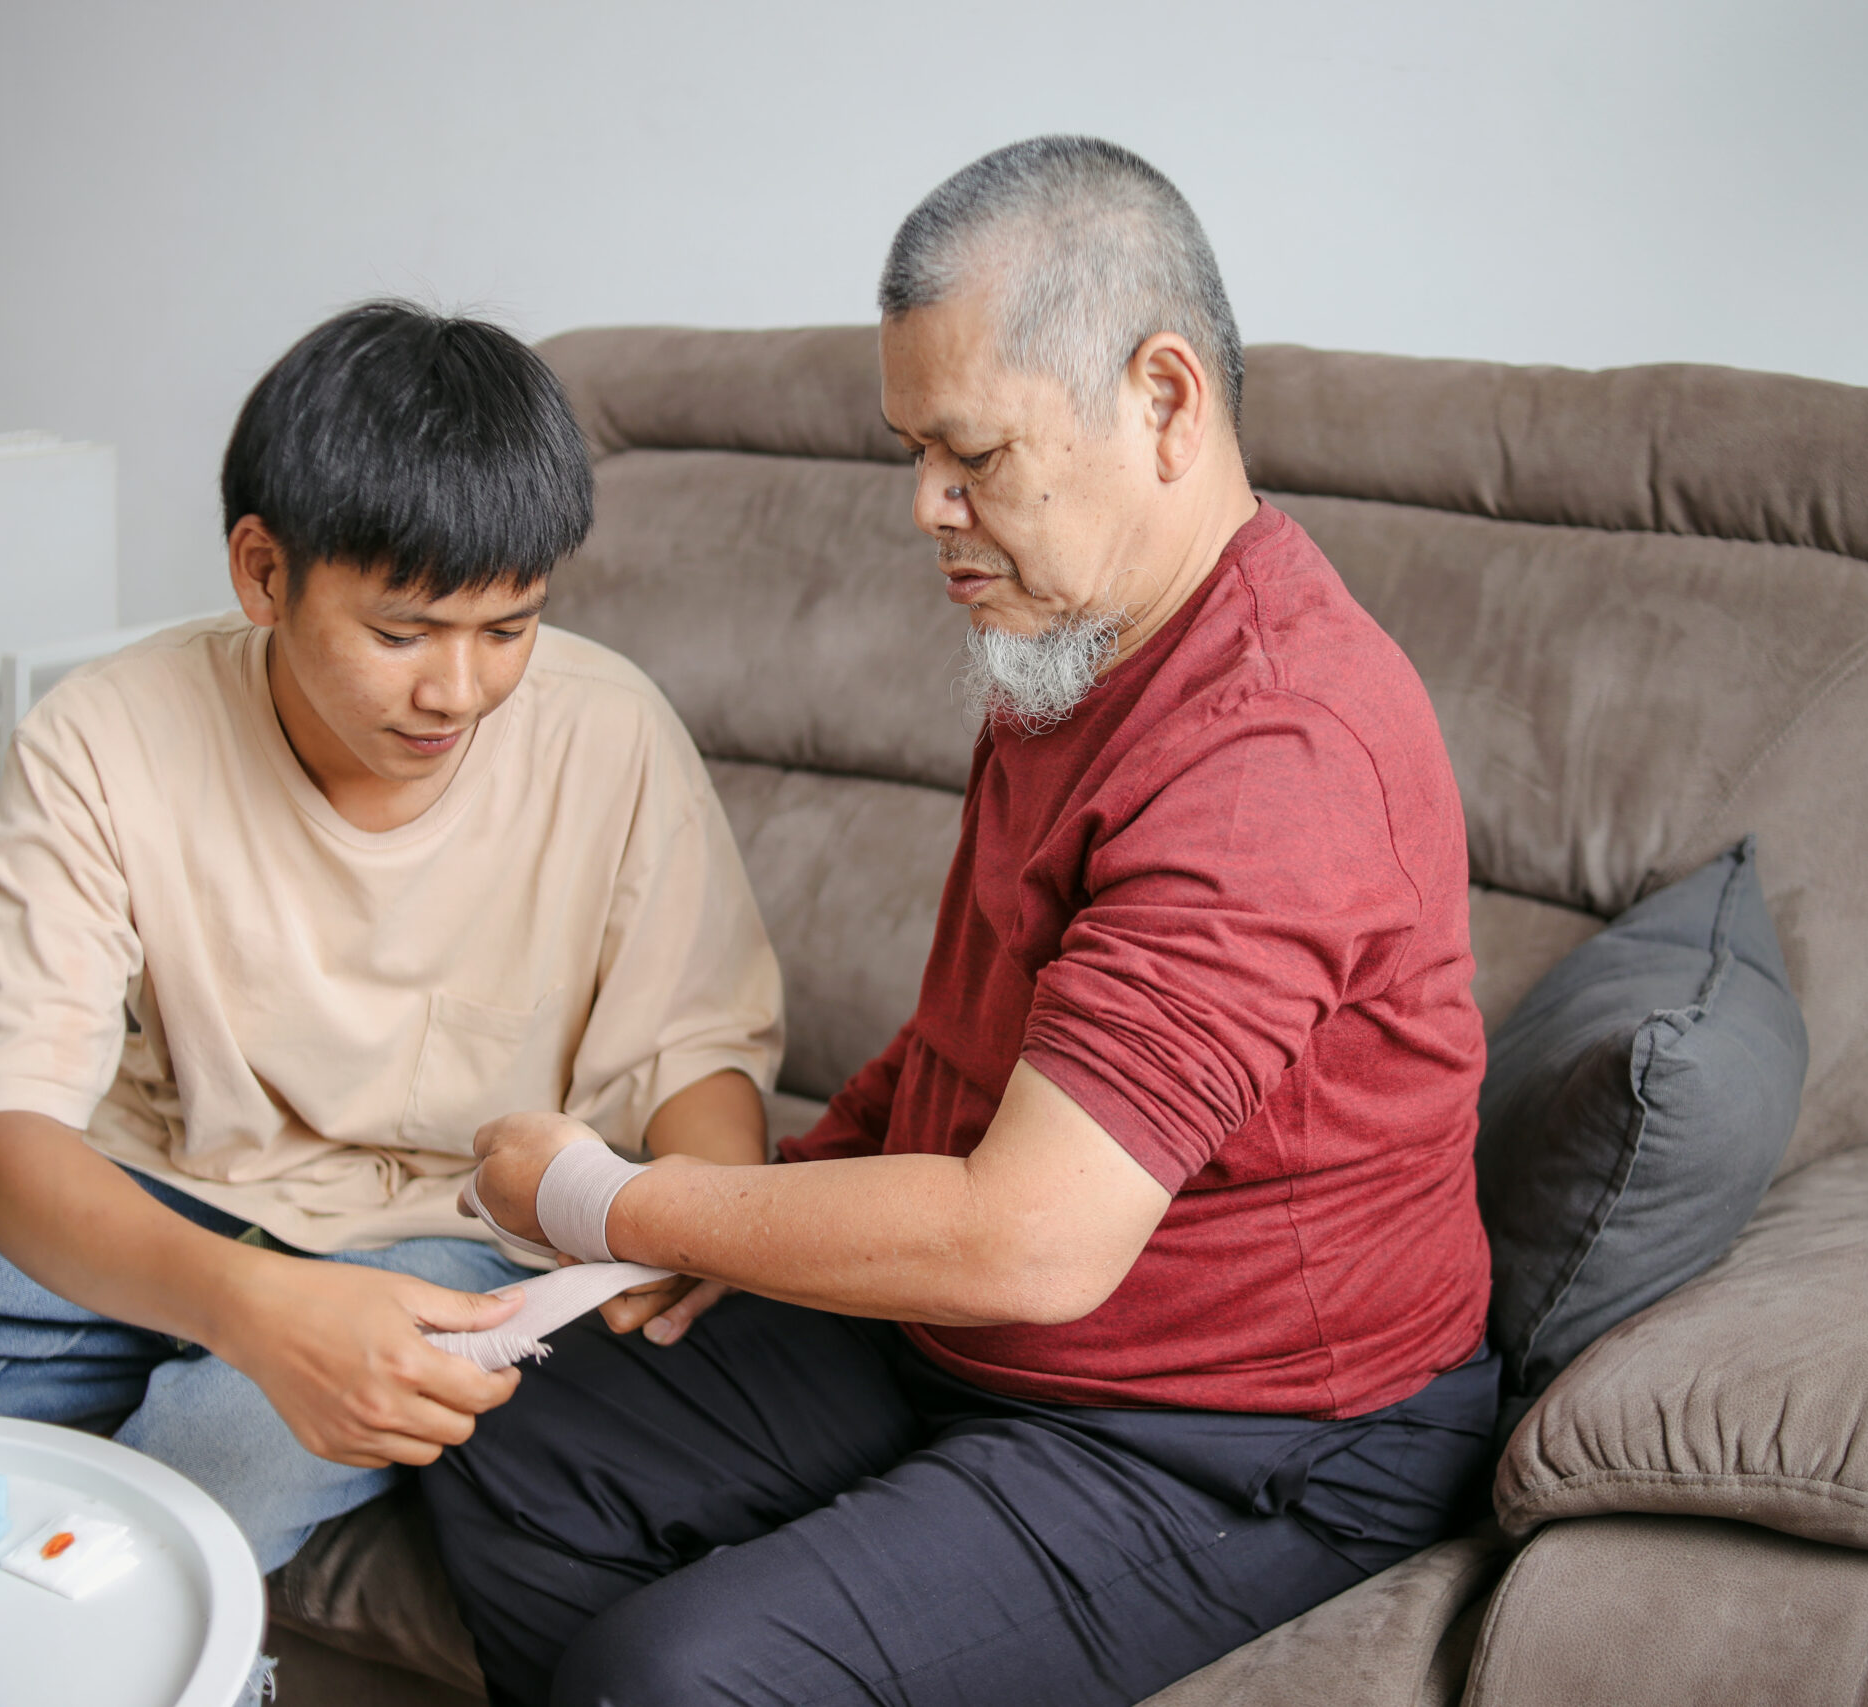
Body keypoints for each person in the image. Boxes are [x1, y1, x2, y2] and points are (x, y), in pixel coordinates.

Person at [425, 137, 1498, 1707]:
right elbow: (962, 1040)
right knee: (506, 1440)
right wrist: (772, 1212)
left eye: (973, 453)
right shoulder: (1071, 640)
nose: (927, 505)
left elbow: (1031, 1236)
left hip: (1238, 1431)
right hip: (971, 1332)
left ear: (1166, 401)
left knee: (675, 1677)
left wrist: (612, 1199)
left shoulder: (1276, 747)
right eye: (911, 448)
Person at [0, 302, 785, 1575]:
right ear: (261, 572)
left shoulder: (611, 733)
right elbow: (6, 1141)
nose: (457, 691)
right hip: (146, 1172)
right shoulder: (105, 738)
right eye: (401, 632)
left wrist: (692, 1219)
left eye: (507, 629)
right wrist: (249, 1304)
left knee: (181, 1513)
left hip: (445, 1228)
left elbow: (694, 1049)